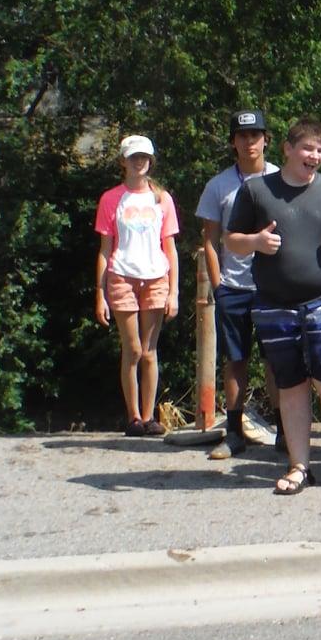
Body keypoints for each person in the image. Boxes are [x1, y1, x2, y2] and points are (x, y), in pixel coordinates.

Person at [226, 116, 321, 494]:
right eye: (308, 148)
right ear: (288, 149)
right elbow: (231, 240)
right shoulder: (257, 191)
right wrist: (256, 242)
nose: (315, 156)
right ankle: (298, 467)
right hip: (274, 305)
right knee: (291, 386)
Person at [195, 110, 278, 456]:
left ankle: (285, 430)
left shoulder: (281, 178)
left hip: (275, 286)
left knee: (278, 358)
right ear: (233, 141)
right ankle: (233, 431)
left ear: (266, 140)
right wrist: (219, 286)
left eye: (255, 135)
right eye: (242, 136)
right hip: (234, 286)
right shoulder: (219, 185)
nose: (249, 142)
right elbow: (210, 241)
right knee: (236, 359)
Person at [95, 134, 181, 437]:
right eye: (134, 156)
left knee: (149, 351)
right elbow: (105, 249)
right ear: (123, 161)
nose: (139, 161)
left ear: (151, 160)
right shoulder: (111, 199)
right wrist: (100, 294)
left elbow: (170, 247)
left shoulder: (162, 198)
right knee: (131, 348)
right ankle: (132, 416)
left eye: (144, 156)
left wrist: (174, 291)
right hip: (122, 276)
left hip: (156, 276)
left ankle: (149, 417)